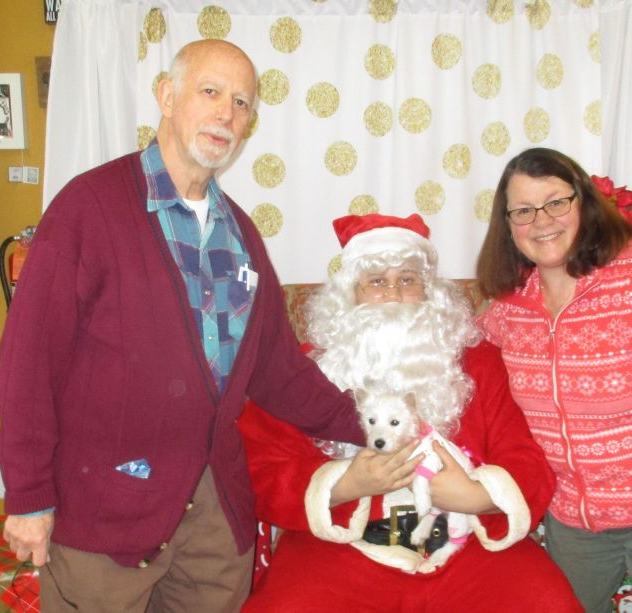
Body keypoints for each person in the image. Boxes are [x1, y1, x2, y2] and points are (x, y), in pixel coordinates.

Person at [0, 40, 363, 612]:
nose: (226, 114)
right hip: (104, 512)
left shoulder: (240, 233)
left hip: (213, 519)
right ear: (167, 96)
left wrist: (369, 424)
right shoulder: (88, 209)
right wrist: (28, 494)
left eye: (242, 103)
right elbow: (28, 362)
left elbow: (278, 371)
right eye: (210, 92)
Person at [238, 213, 583, 612]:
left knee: (548, 605)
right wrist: (345, 484)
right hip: (343, 549)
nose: (393, 294)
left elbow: (527, 457)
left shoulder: (479, 362)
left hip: (467, 543)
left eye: (407, 280)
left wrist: (478, 496)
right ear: (350, 294)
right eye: (377, 282)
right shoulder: (305, 370)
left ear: (429, 292)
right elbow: (259, 467)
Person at [476, 147, 632, 613]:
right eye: (524, 210)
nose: (542, 221)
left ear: (584, 202)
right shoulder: (511, 307)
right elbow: (464, 354)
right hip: (572, 519)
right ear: (508, 225)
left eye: (557, 202)